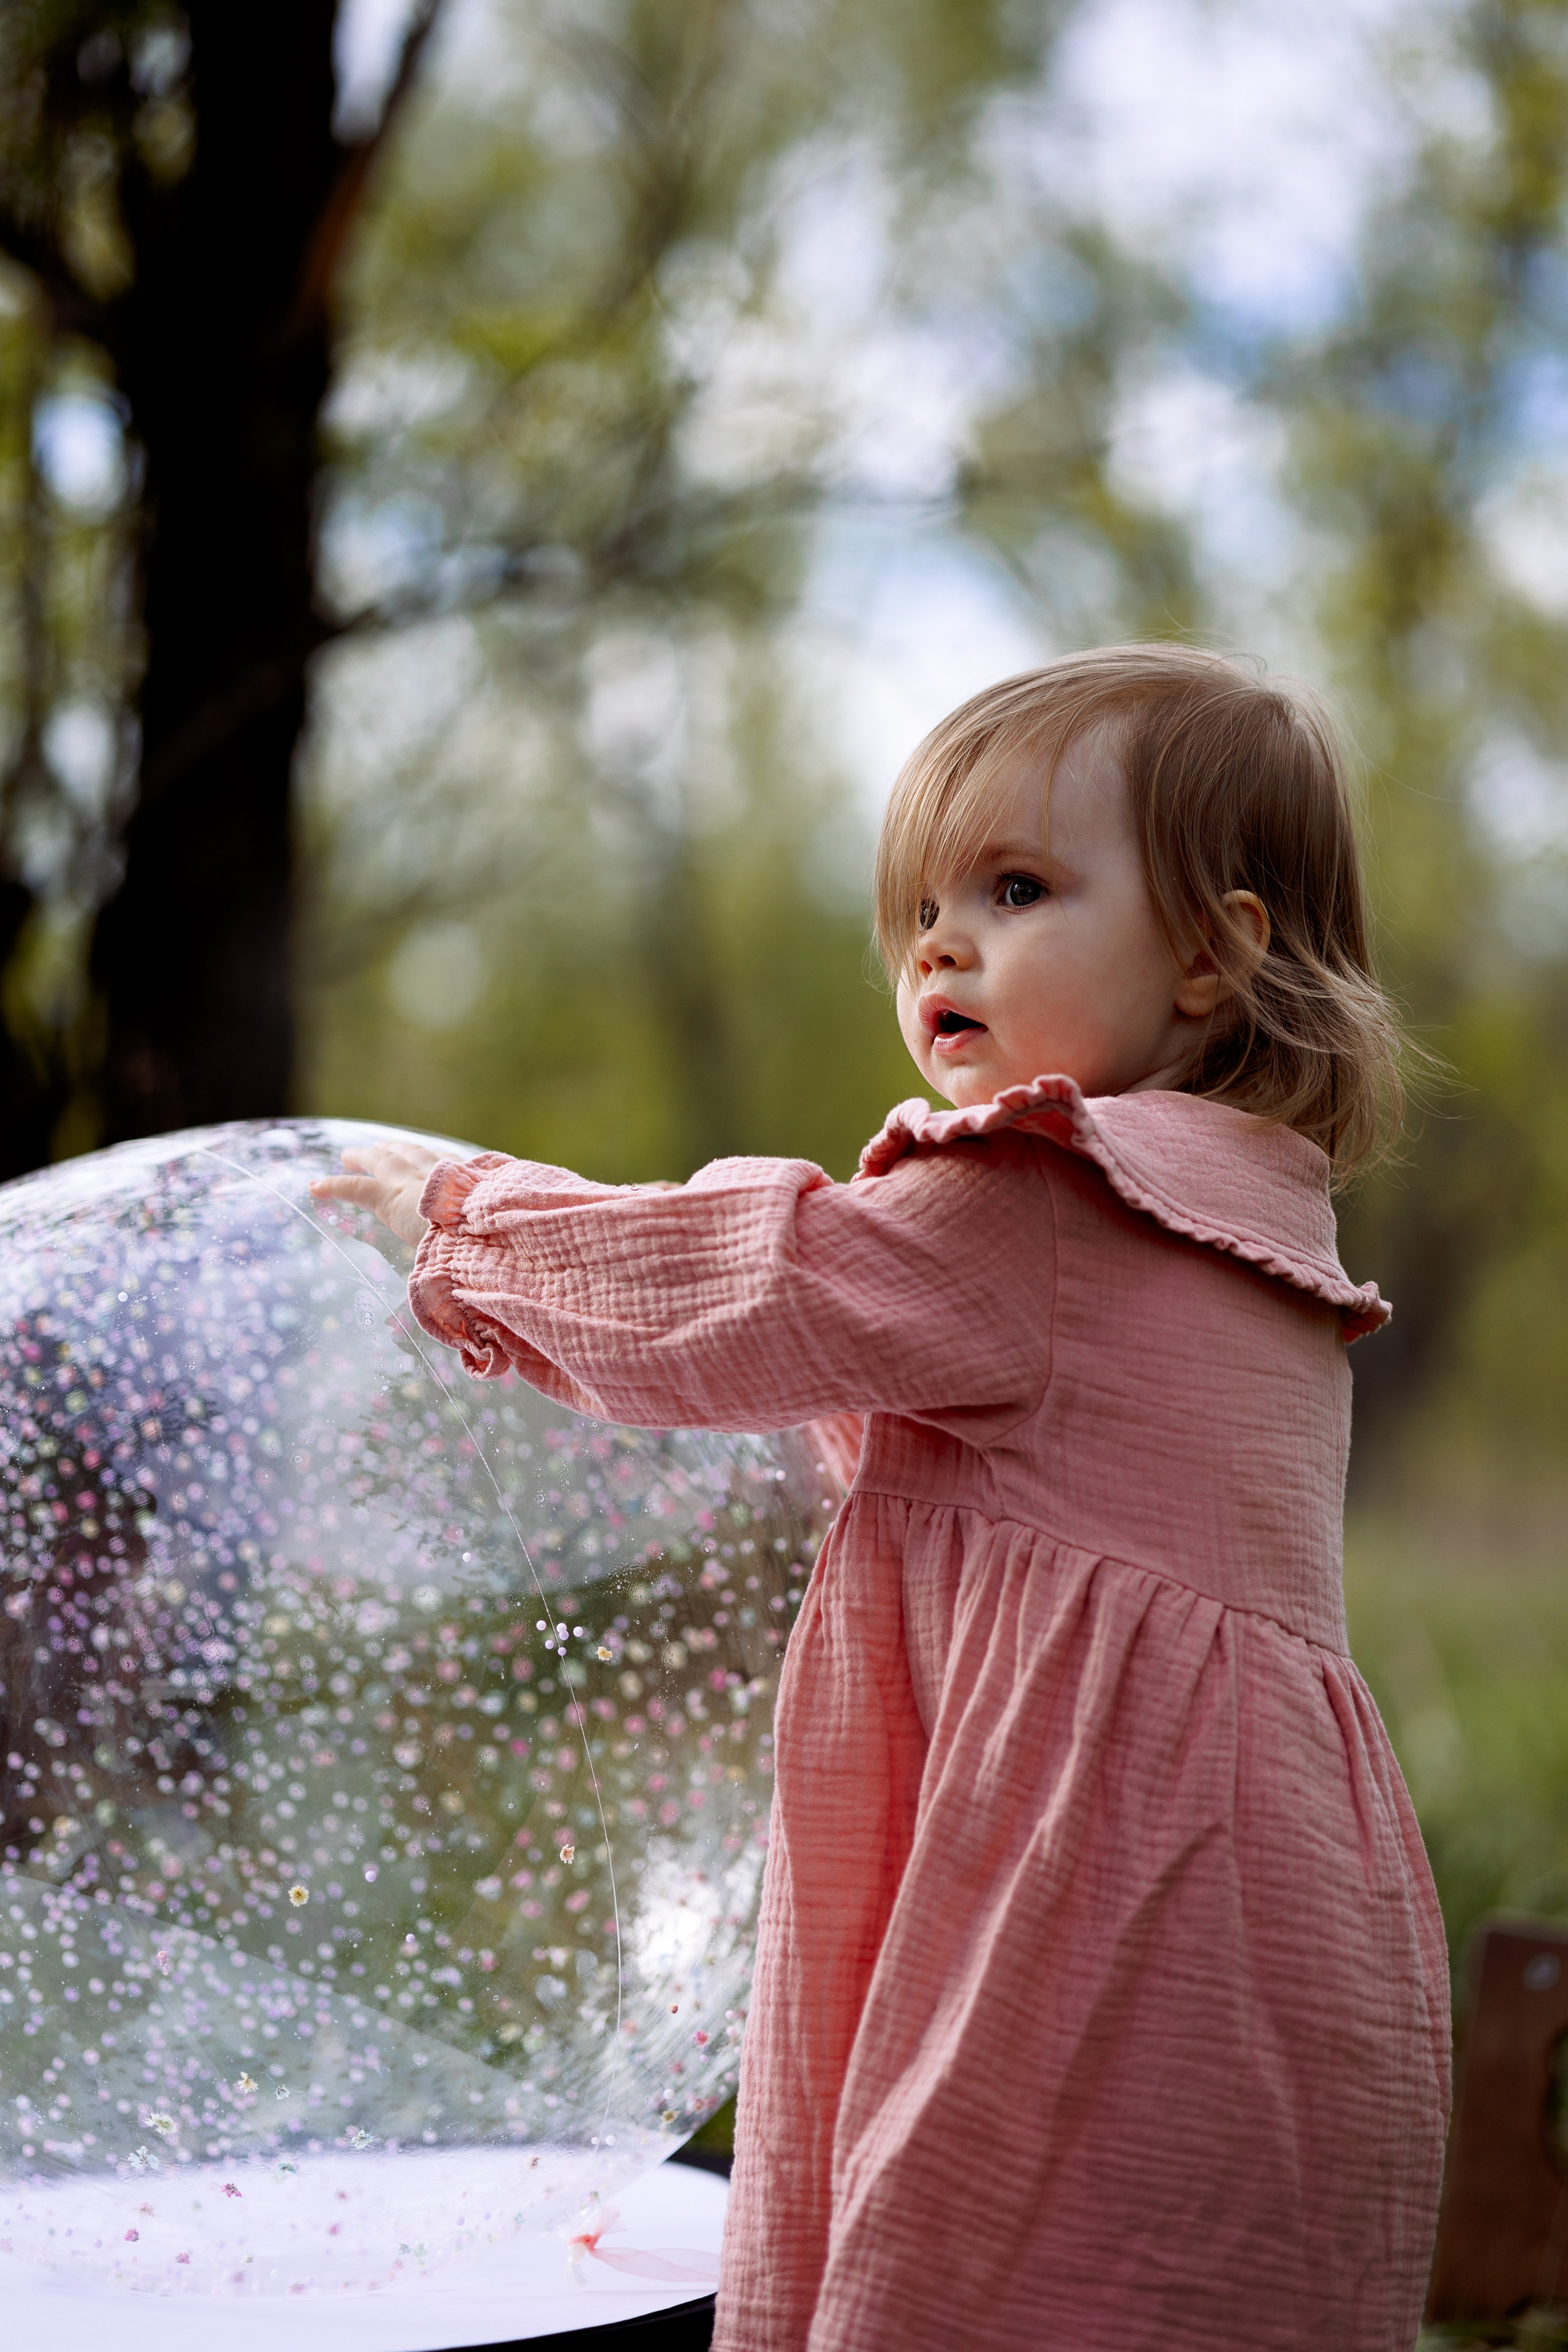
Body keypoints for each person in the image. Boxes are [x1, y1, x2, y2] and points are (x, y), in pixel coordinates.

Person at [312, 643, 1450, 2352]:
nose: (940, 942)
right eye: (919, 904)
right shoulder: (1262, 1240)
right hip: (1267, 1913)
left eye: (1016, 886)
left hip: (1081, 1900)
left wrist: (469, 1221)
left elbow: (752, 1288)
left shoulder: (1043, 1202)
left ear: (1216, 956)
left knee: (985, 2267)